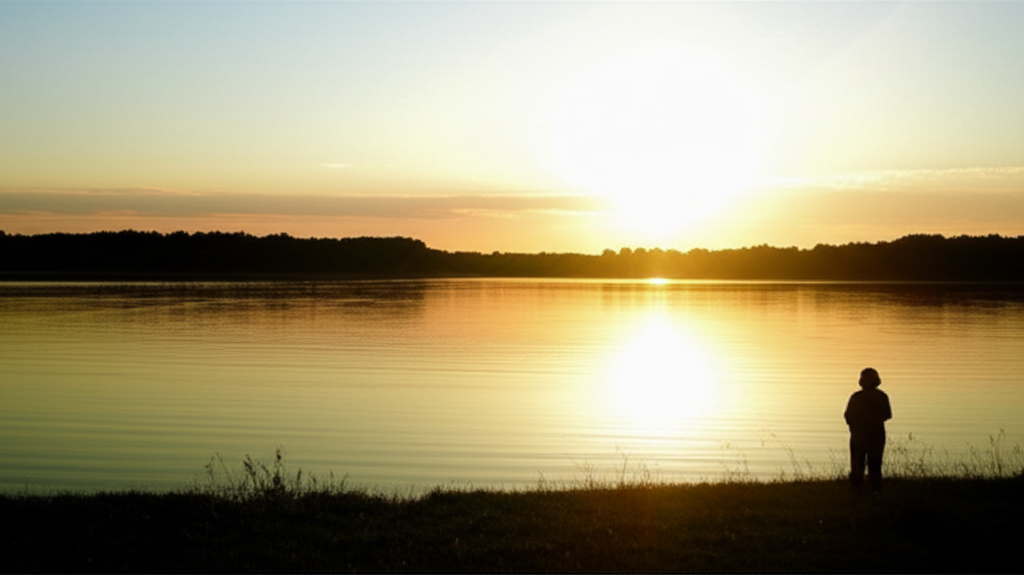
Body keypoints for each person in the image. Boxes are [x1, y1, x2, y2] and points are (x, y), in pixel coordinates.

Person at [844, 367, 892, 493]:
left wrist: (854, 427)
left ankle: (857, 489)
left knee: (858, 464)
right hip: (875, 435)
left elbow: (848, 416)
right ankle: (874, 489)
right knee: (875, 464)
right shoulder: (882, 396)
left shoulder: (856, 397)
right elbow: (887, 415)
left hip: (859, 435)